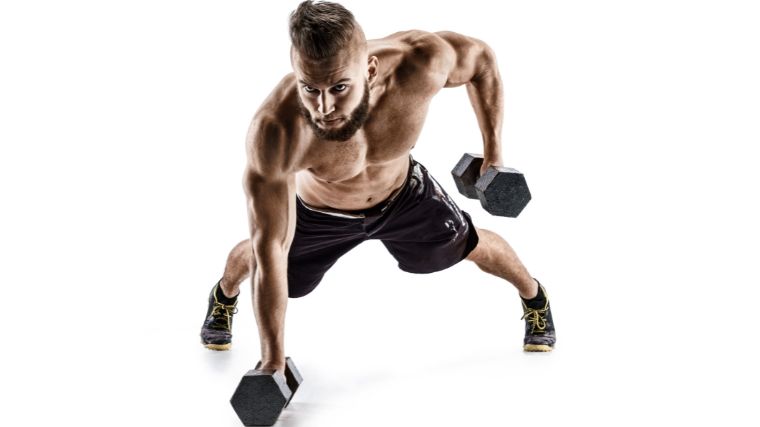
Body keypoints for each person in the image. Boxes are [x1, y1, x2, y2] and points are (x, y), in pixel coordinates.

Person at [200, 0, 556, 375]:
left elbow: (482, 62)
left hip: (404, 197)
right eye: (310, 88)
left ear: (369, 69)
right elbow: (270, 244)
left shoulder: (420, 61)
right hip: (318, 212)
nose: (324, 107)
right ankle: (225, 294)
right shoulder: (277, 130)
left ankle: (534, 297)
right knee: (263, 258)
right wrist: (272, 360)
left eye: (339, 87)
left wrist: (493, 155)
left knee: (471, 245)